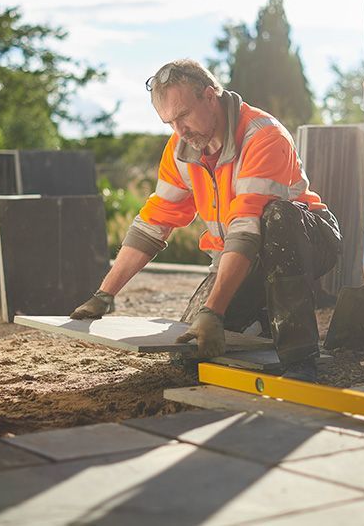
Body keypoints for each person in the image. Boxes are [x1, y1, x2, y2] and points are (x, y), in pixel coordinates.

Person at [71, 59, 341, 382]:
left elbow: (247, 228)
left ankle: (301, 359)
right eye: (169, 122)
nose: (179, 130)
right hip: (242, 251)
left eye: (183, 115)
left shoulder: (263, 136)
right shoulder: (181, 150)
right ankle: (266, 318)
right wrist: (104, 295)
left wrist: (215, 311)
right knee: (190, 349)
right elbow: (152, 224)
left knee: (276, 219)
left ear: (210, 96)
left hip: (307, 238)